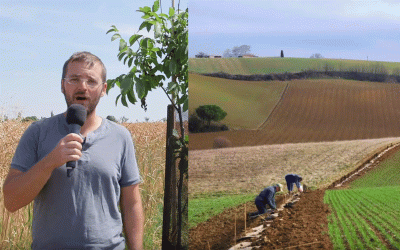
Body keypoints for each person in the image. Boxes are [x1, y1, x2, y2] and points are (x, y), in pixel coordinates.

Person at [3, 51, 144, 250]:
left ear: (103, 89)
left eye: (91, 81)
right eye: (74, 79)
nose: (82, 87)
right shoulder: (37, 132)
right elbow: (11, 200)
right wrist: (49, 162)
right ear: (63, 85)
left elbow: (132, 203)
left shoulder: (120, 136)